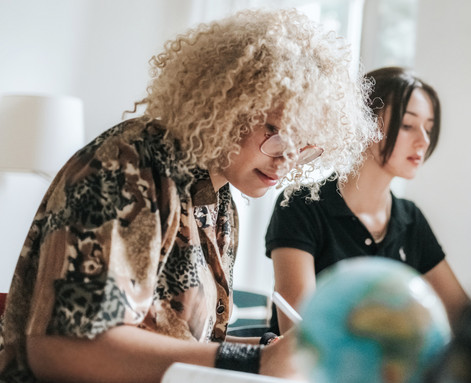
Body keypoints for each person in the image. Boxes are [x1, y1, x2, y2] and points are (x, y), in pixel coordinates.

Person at [0, 8, 378, 383]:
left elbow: (175, 344)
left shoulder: (220, 201)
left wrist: (266, 351)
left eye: (305, 148)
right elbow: (64, 349)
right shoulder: (131, 164)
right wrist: (253, 364)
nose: (287, 160)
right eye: (277, 134)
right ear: (229, 103)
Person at [265, 66, 469, 335]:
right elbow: (302, 333)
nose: (423, 141)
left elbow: (463, 315)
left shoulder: (410, 219)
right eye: (408, 125)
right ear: (365, 123)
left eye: (428, 128)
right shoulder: (300, 205)